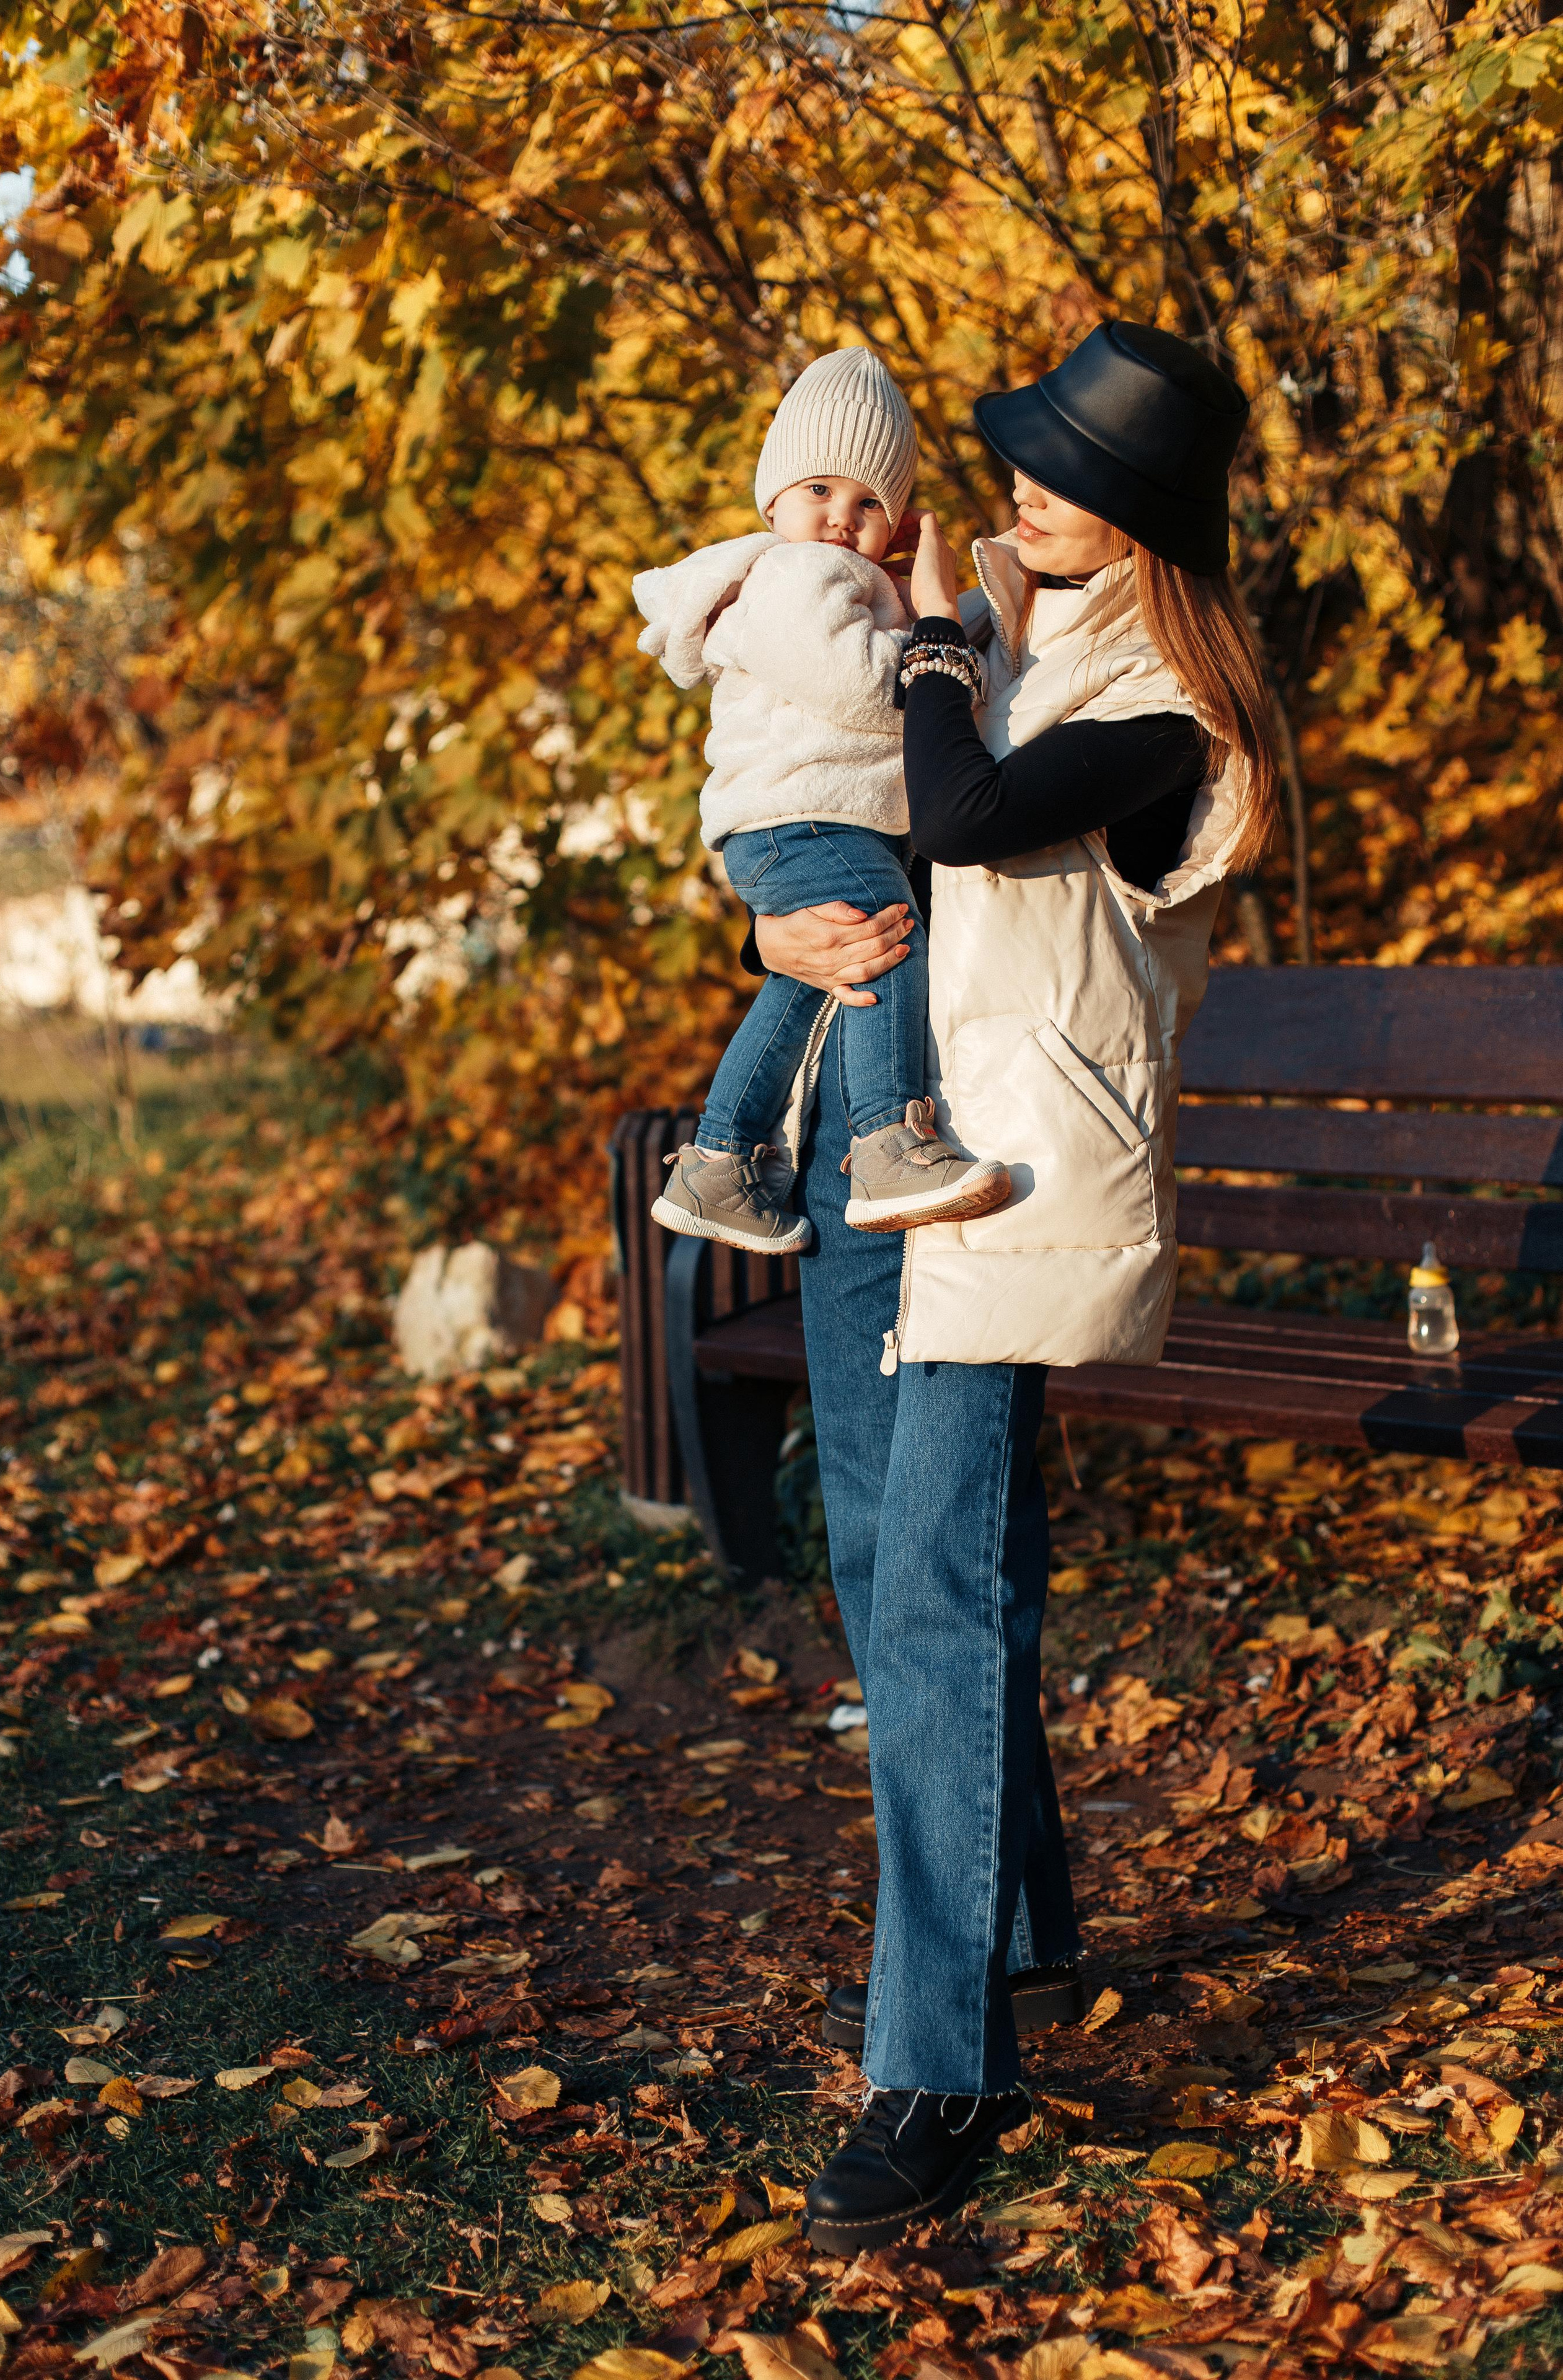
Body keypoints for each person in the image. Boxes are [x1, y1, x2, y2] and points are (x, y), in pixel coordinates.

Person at [741, 321, 1282, 2253]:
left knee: (943, 1600)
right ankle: (1026, 1933)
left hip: (1009, 1193)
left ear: (1141, 520)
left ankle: (942, 2068)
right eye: (1026, 460)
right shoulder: (1012, 638)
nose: (1020, 490)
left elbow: (967, 815)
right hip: (876, 1152)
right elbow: (836, 807)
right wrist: (772, 924)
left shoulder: (1164, 711)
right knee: (882, 1564)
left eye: (1063, 475)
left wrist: (934, 644)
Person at [632, 345, 1010, 1258]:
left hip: (801, 822)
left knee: (816, 976)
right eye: (819, 490)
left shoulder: (847, 579)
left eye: (869, 502)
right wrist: (936, 647)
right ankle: (887, 1141)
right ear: (774, 501)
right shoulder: (797, 574)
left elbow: (912, 643)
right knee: (887, 930)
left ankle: (718, 1163)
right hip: (802, 817)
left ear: (898, 518)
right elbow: (860, 683)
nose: (841, 517)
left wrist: (962, 606)